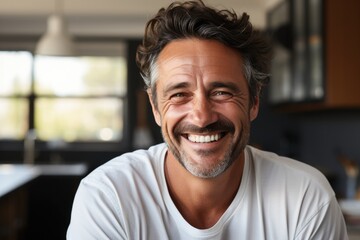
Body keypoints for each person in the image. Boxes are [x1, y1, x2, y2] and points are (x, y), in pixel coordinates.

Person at [67, 1, 348, 239]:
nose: (202, 116)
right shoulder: (108, 197)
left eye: (222, 92)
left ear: (254, 101)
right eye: (179, 94)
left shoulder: (305, 197)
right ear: (155, 107)